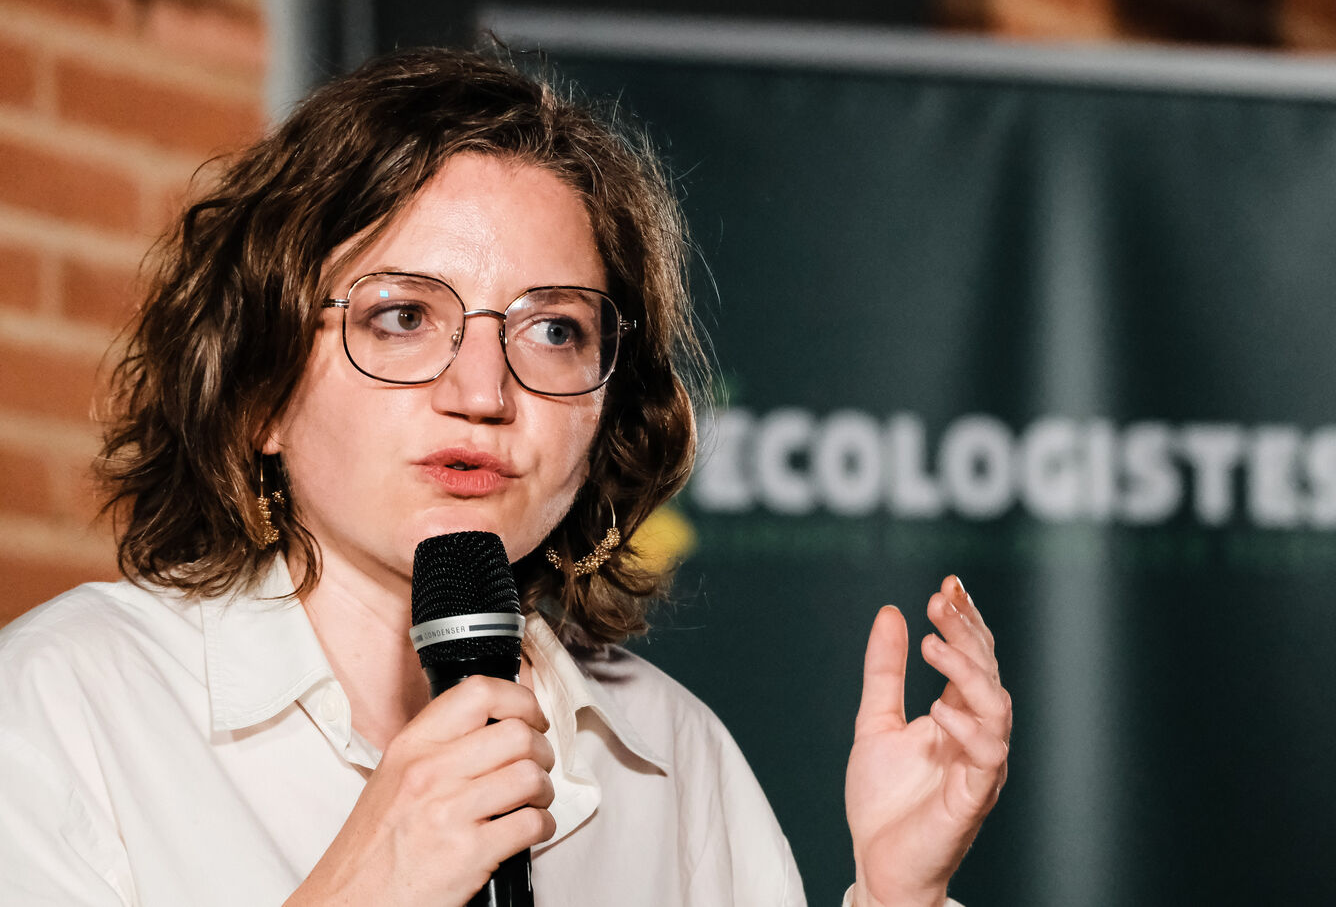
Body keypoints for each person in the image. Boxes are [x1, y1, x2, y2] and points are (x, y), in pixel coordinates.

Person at [0, 47, 1011, 907]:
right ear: (260, 388)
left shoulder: (671, 753)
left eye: (553, 330)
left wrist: (898, 893)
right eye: (403, 316)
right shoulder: (68, 703)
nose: (483, 391)